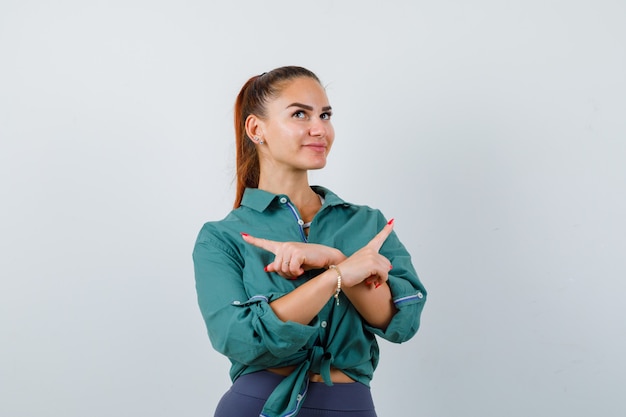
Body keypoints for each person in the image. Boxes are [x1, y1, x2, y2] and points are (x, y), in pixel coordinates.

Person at [193, 66, 427, 417]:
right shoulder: (223, 237)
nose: (320, 129)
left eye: (325, 115)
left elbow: (400, 324)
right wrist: (339, 276)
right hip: (257, 406)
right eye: (300, 114)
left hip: (348, 406)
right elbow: (238, 339)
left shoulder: (366, 224)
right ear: (257, 129)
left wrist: (333, 258)